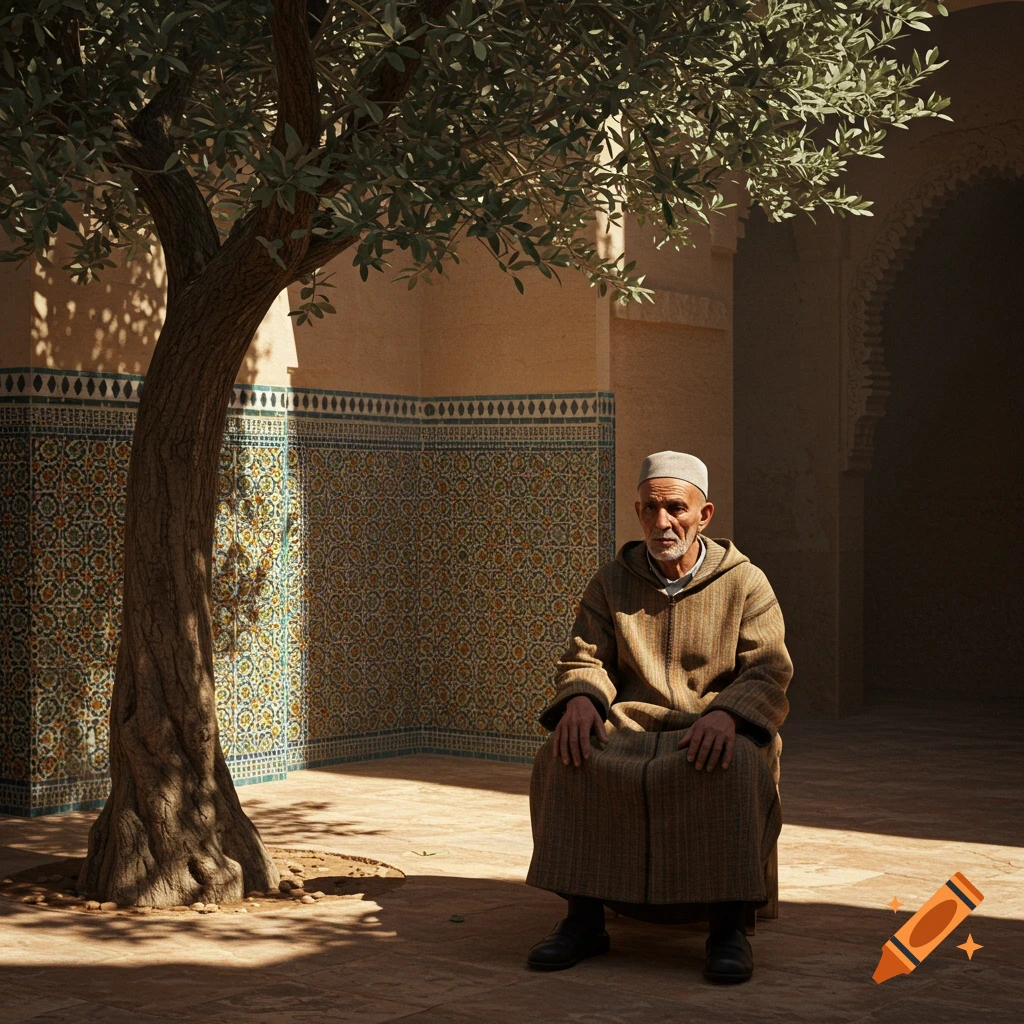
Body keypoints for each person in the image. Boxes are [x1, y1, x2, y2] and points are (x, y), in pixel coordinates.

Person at [525, 451, 793, 983]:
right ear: (638, 511)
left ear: (705, 514)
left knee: (736, 763)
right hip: (631, 727)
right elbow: (586, 656)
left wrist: (729, 715)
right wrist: (581, 698)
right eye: (650, 509)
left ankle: (727, 928)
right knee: (565, 753)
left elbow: (768, 669)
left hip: (709, 727)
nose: (662, 522)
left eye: (676, 508)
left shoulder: (746, 583)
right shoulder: (610, 581)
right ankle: (583, 920)